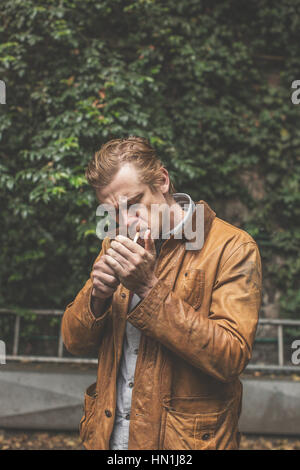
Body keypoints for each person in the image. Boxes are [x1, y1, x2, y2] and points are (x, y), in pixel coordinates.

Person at [61, 136, 262, 450]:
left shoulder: (231, 247)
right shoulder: (115, 242)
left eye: (134, 203)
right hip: (109, 442)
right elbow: (74, 342)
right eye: (113, 212)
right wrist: (97, 298)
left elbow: (231, 357)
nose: (125, 221)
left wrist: (147, 288)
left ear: (162, 180)